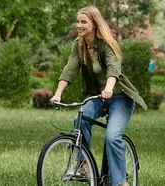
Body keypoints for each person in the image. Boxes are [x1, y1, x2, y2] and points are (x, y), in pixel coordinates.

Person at [50, 6, 147, 186]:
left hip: (119, 97)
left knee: (112, 137)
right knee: (80, 118)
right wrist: (58, 93)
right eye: (78, 21)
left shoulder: (106, 43)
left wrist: (109, 88)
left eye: (83, 22)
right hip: (97, 97)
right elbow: (69, 69)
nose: (79, 25)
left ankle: (120, 183)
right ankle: (83, 165)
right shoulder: (78, 45)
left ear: (94, 24)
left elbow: (113, 68)